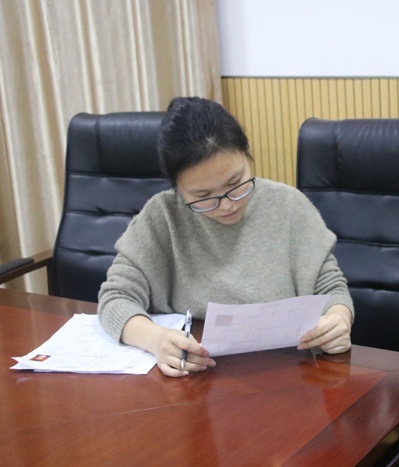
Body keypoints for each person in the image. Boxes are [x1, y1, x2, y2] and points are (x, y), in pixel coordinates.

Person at [98, 97, 353, 377]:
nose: (227, 205)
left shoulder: (290, 206)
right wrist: (156, 340)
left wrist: (338, 319)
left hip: (286, 369)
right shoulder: (162, 216)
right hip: (194, 371)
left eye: (236, 183)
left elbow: (330, 287)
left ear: (247, 156)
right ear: (177, 188)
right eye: (203, 196)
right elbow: (115, 297)